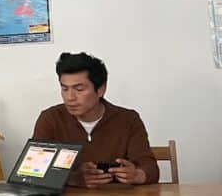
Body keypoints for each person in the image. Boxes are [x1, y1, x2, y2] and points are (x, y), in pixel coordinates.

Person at [32, 52, 159, 188]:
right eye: (64, 89)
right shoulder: (51, 118)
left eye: (79, 89)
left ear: (101, 90)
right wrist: (72, 179)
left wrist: (137, 175)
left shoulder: (128, 119)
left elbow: (150, 168)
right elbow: (32, 173)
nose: (70, 97)